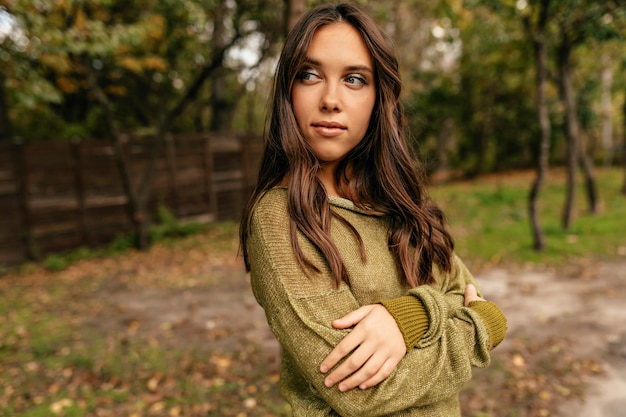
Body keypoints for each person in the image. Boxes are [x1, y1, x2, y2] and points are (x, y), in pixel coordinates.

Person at [239, 3, 507, 416]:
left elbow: (467, 289)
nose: (330, 99)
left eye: (354, 79)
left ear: (378, 97)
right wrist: (479, 328)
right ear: (287, 91)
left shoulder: (398, 202)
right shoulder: (281, 219)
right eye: (309, 75)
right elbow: (360, 390)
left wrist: (408, 315)